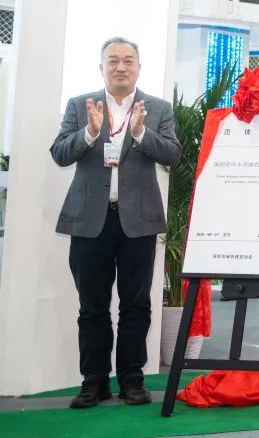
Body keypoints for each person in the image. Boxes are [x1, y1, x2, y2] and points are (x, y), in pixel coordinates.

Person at [50, 37, 181, 409]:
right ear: (101, 66)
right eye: (113, 60)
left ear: (138, 67)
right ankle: (94, 381)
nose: (120, 67)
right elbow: (60, 153)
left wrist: (140, 133)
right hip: (90, 221)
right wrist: (90, 133)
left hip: (138, 222)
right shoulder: (81, 105)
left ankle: (131, 378)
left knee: (136, 305)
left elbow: (172, 154)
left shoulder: (157, 108)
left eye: (128, 60)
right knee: (92, 306)